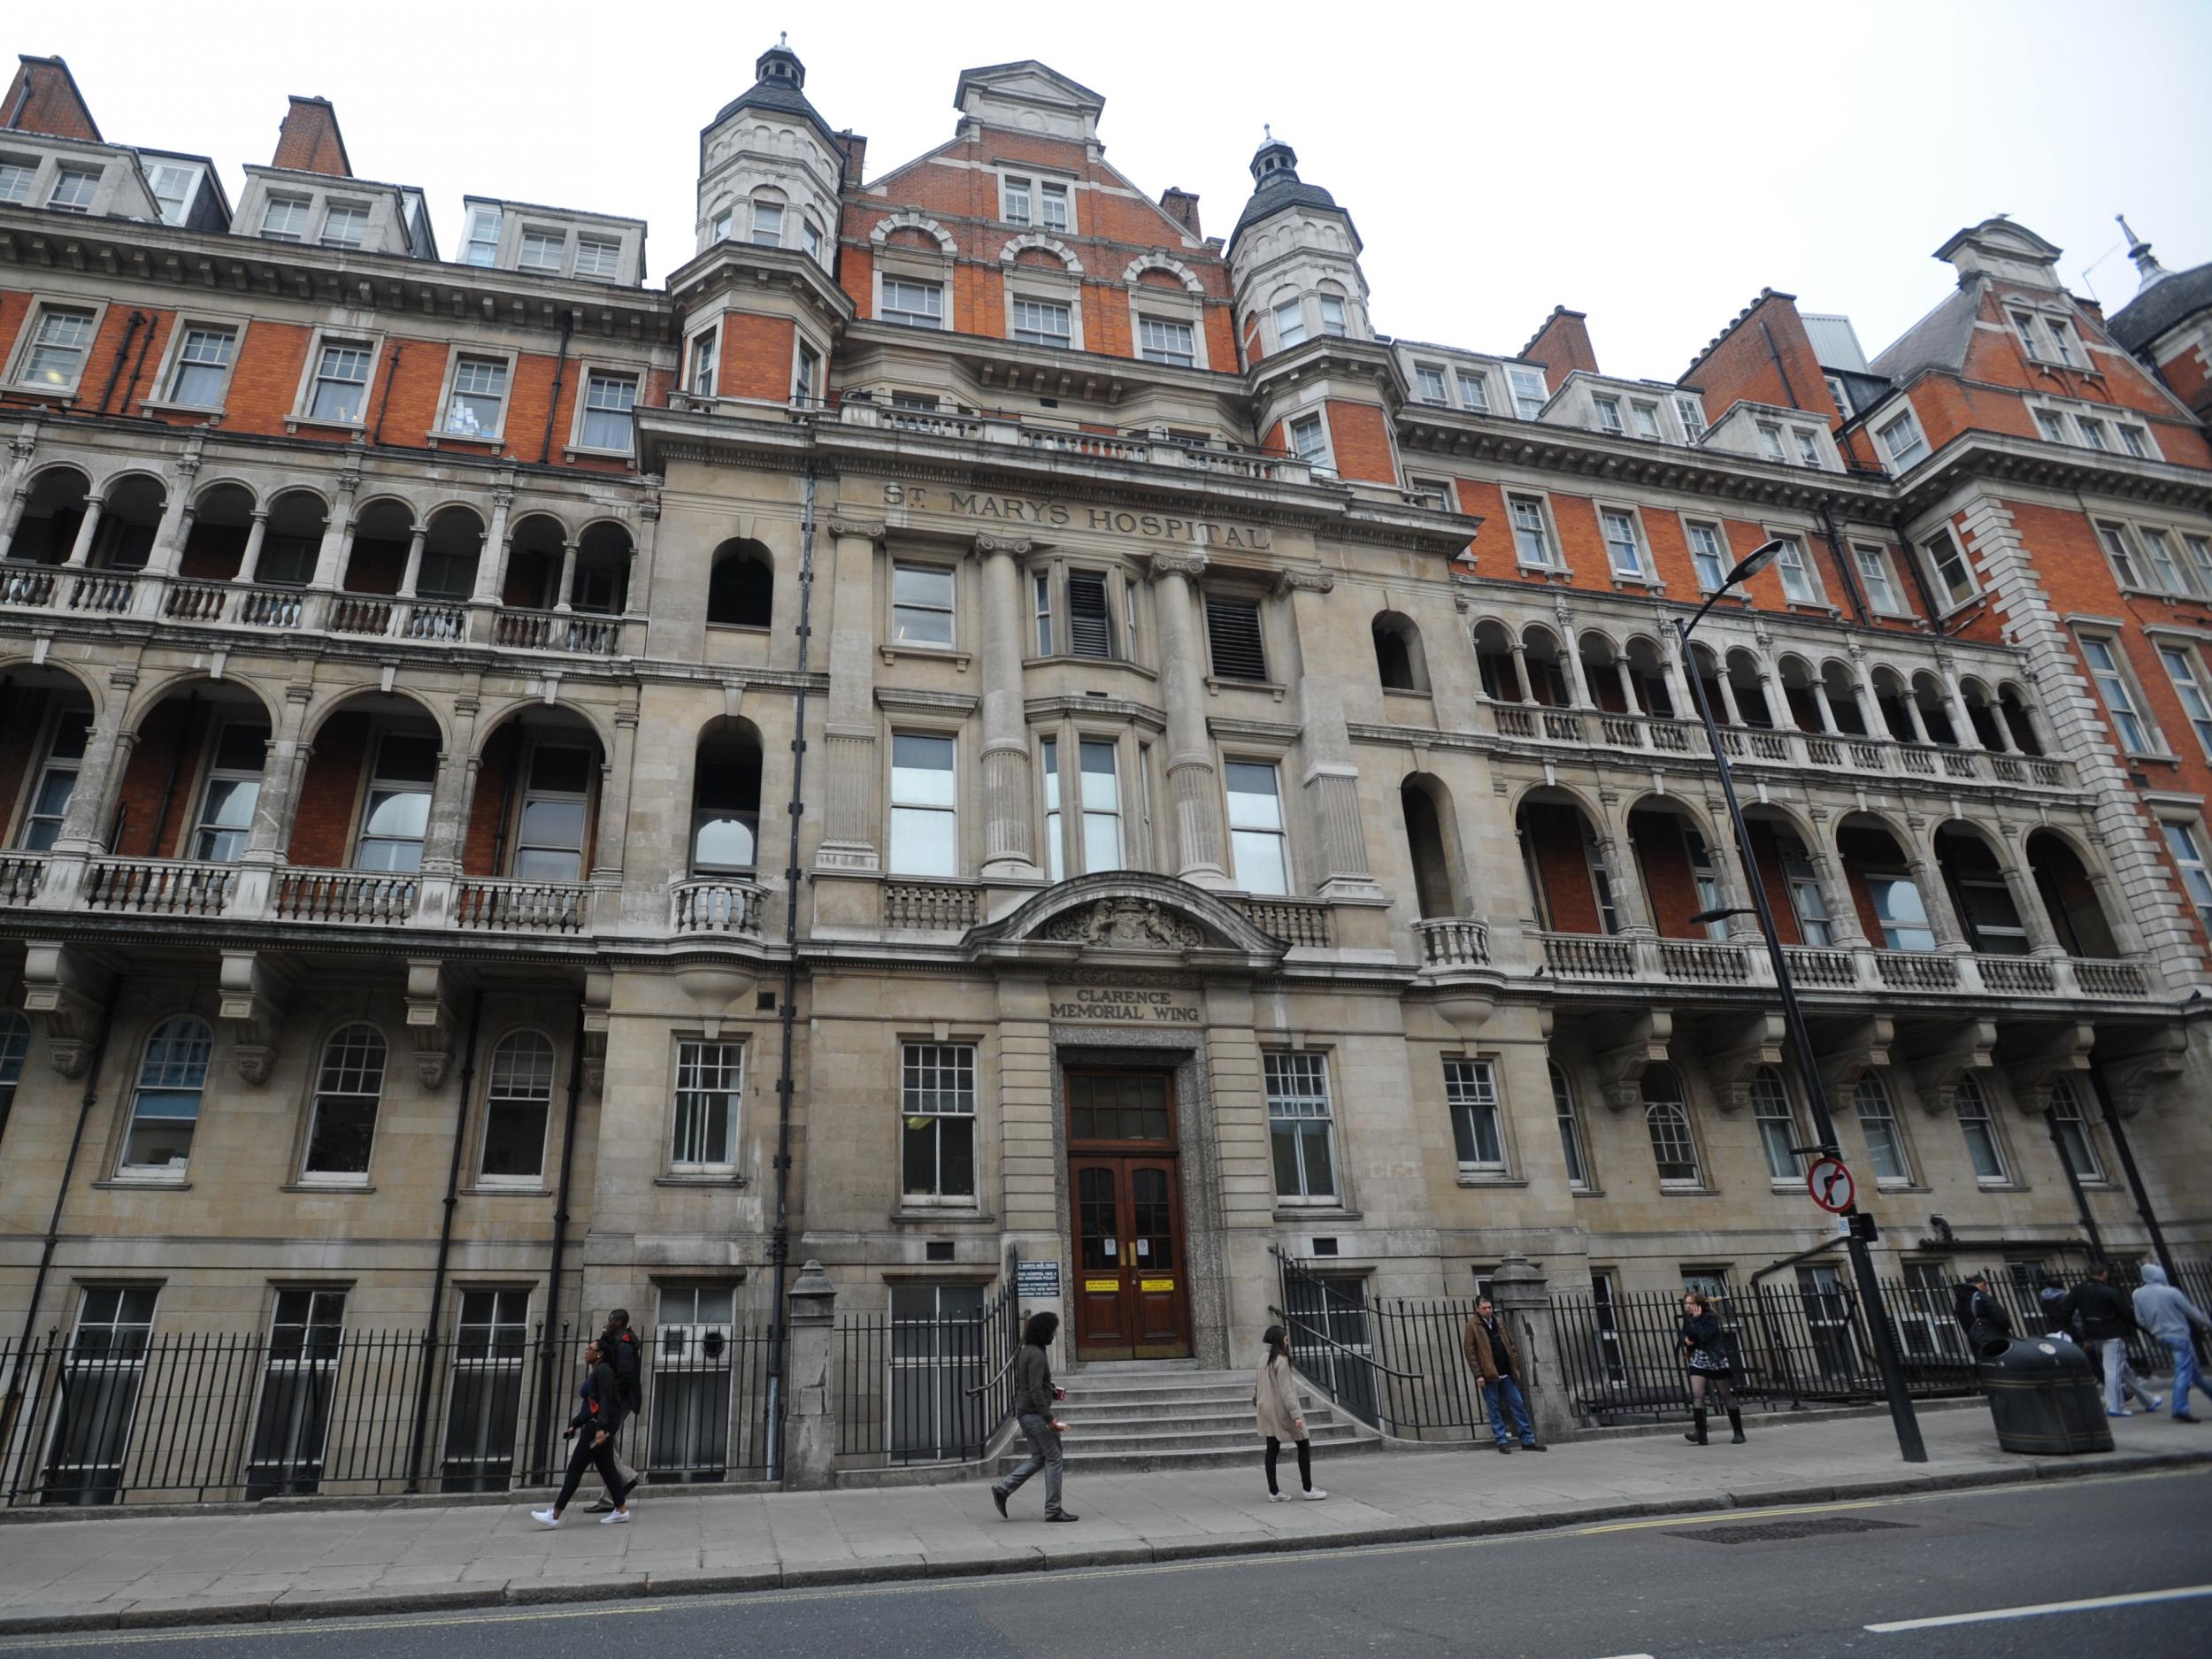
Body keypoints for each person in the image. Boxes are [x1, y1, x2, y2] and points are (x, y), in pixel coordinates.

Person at [532, 1340, 632, 1527]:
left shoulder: (603, 1372)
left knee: (575, 1469)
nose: (586, 1351)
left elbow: (604, 1401)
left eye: (590, 1349)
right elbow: (591, 1404)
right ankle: (621, 1510)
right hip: (598, 1423)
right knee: (607, 1468)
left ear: (600, 1353)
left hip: (597, 1427)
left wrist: (601, 1428)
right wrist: (576, 1423)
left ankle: (555, 1514)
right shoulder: (599, 1371)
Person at [991, 1311, 1076, 1522]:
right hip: (1036, 1415)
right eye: (1052, 1331)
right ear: (1044, 1332)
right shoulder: (1037, 1355)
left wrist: (1051, 1388)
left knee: (1039, 1458)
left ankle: (1003, 1488)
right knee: (1054, 1458)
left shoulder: (1027, 1351)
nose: (1054, 1336)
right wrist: (1049, 1419)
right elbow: (1036, 1390)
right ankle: (1053, 1509)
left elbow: (1033, 1384)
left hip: (1025, 1413)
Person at [2074, 1262, 2162, 1417]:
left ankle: (2148, 1401)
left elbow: (2069, 1310)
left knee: (2125, 1371)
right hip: (2112, 1335)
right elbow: (2127, 1314)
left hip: (2095, 1335)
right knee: (2113, 1370)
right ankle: (2114, 1406)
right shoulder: (2109, 1292)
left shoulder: (2080, 1291)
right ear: (2104, 1274)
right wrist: (2146, 1330)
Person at [1253, 1324, 1326, 1501]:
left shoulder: (1263, 1358)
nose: (1287, 1343)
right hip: (1282, 1409)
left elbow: (1258, 1384)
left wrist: (1257, 1400)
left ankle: (1274, 1491)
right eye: (1286, 1339)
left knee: (1272, 1449)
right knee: (1303, 1443)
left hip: (1265, 1408)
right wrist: (1296, 1415)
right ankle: (1308, 1489)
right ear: (1280, 1340)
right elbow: (1287, 1391)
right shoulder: (1282, 1361)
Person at [2131, 1264, 2212, 1424]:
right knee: (2183, 1371)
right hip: (2178, 1334)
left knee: (2194, 1374)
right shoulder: (2171, 1292)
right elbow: (2192, 1312)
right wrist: (2208, 1324)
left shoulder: (2138, 1294)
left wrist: (2154, 1328)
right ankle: (2180, 1409)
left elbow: (2140, 1319)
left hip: (2160, 1336)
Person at [1463, 1295, 1543, 1453]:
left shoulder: (1498, 1322)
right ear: (1477, 1309)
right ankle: (1501, 1440)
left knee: (1518, 1404)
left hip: (1506, 1372)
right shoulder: (1472, 1325)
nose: (1488, 1310)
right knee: (1494, 1408)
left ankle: (1527, 1440)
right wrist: (1478, 1374)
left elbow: (1510, 1344)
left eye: (1489, 1307)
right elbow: (1470, 1352)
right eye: (1484, 1308)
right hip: (1488, 1374)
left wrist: (1515, 1363)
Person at [587, 1309, 646, 1514]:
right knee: (610, 1444)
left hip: (620, 1400)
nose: (607, 1323)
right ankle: (609, 1498)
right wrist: (604, 1337)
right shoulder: (615, 1339)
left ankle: (627, 1477)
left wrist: (612, 1398)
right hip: (617, 1398)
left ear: (619, 1322)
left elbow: (625, 1375)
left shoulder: (624, 1343)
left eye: (611, 1321)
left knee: (603, 1443)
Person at [1678, 1290, 1744, 1446]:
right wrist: (1685, 1339)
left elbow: (1705, 1336)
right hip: (1698, 1358)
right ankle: (1701, 1433)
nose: (1687, 1306)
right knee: (1697, 1394)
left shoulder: (1710, 1318)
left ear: (1699, 1305)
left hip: (1714, 1359)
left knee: (1726, 1395)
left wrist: (1697, 1320)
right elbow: (1684, 1333)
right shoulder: (1689, 1317)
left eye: (1690, 1303)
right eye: (1686, 1303)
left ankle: (1738, 1431)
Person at [1954, 1271, 2013, 1352]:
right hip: (1996, 1342)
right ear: (1982, 1284)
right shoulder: (1983, 1298)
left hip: (1977, 1343)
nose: (1987, 1289)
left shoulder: (1960, 1302)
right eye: (1986, 1285)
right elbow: (2002, 1319)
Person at [2037, 1272, 2079, 1343]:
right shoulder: (2065, 1298)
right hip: (2069, 1328)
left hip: (2056, 1328)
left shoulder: (2045, 1299)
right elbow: (2075, 1316)